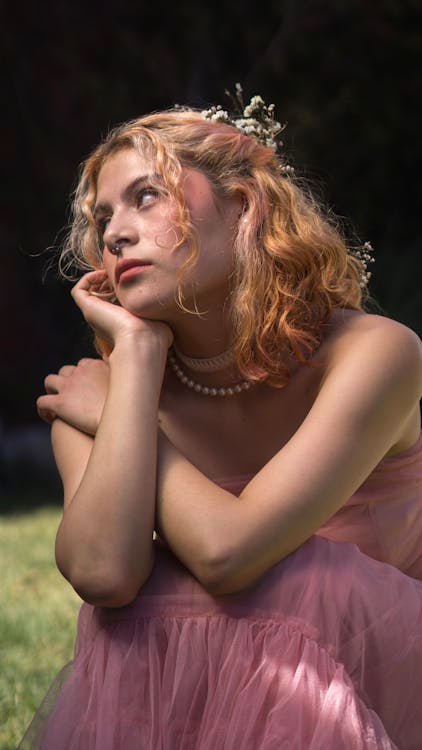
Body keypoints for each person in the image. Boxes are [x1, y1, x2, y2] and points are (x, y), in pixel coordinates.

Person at [21, 91, 422, 749]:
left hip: (391, 679)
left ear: (241, 205)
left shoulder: (375, 352)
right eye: (103, 218)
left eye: (145, 197)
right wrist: (140, 360)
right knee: (130, 610)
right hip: (228, 686)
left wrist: (134, 429)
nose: (115, 231)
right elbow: (102, 577)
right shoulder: (100, 391)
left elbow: (229, 555)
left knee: (301, 581)